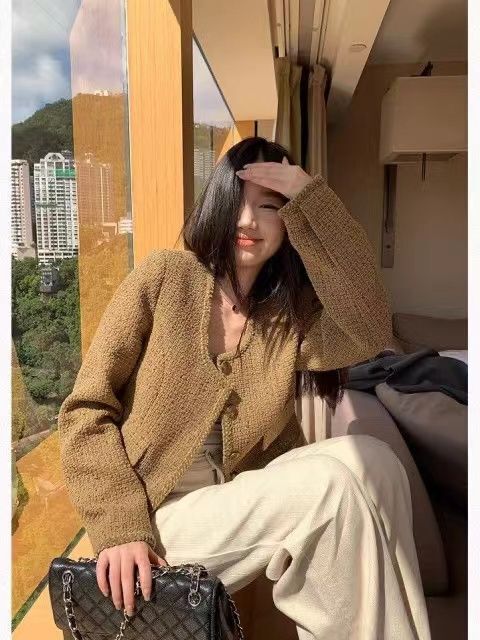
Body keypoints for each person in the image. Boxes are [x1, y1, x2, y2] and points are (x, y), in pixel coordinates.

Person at [57, 137, 431, 639]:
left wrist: (312, 198)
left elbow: (370, 327)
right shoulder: (165, 278)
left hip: (237, 502)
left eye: (270, 207)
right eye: (237, 202)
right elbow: (85, 410)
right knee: (331, 488)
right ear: (216, 203)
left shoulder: (288, 315)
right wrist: (120, 526)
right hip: (153, 521)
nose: (249, 221)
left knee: (377, 462)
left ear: (290, 221)